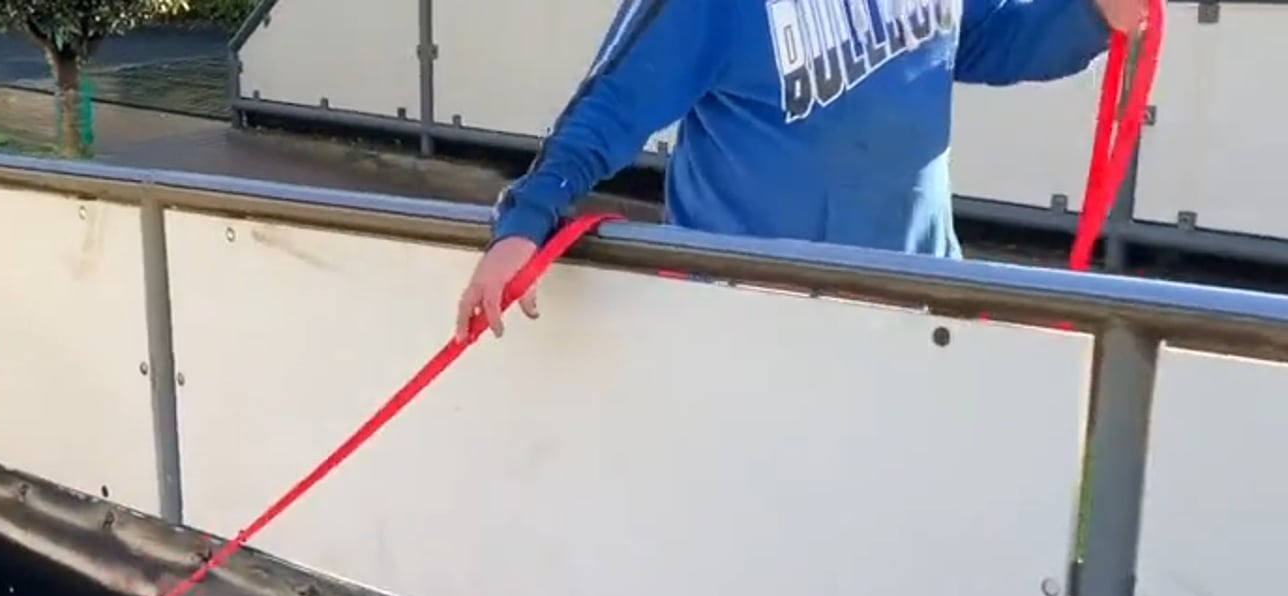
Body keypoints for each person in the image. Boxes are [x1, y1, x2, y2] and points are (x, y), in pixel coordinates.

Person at [455, 0, 1150, 338]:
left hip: (917, 314)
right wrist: (525, 223)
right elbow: (610, 108)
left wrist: (1092, 17)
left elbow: (989, 39)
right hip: (749, 331)